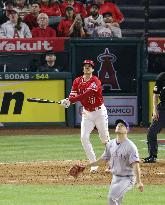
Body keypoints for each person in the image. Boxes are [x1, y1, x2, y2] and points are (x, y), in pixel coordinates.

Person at [69, 119, 144, 205]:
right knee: (117, 201)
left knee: (112, 198)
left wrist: (139, 182)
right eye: (118, 125)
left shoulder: (131, 146)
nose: (119, 126)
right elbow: (103, 160)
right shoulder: (110, 144)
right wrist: (87, 166)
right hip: (115, 177)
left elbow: (136, 165)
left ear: (126, 130)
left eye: (122, 125)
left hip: (127, 178)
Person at [60, 59, 110, 173]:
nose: (87, 67)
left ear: (93, 69)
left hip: (99, 113)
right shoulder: (77, 81)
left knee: (104, 139)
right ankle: (93, 165)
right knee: (83, 137)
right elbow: (73, 94)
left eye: (89, 66)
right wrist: (68, 101)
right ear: (83, 68)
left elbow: (87, 94)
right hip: (87, 113)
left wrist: (71, 100)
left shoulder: (95, 81)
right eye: (85, 66)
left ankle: (112, 163)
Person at [144, 72, 165, 163]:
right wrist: (155, 109)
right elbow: (155, 95)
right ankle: (152, 155)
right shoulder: (162, 77)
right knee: (152, 131)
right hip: (163, 107)